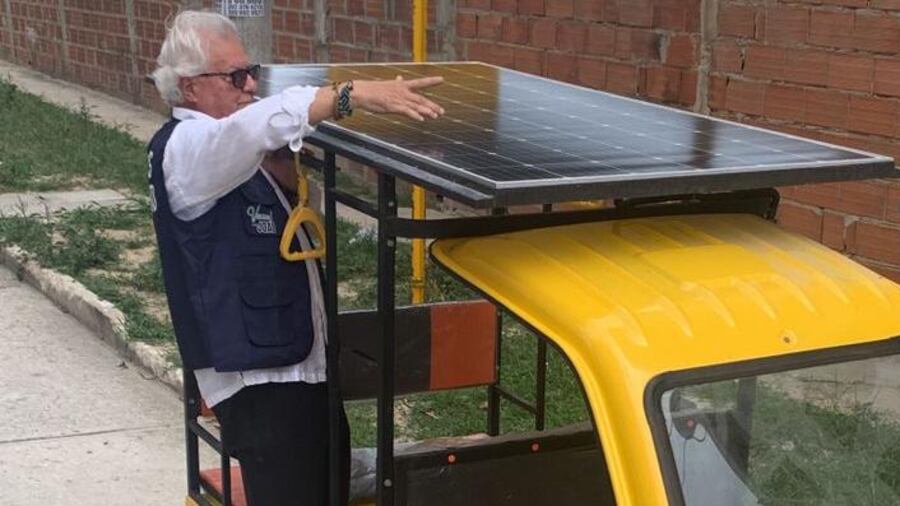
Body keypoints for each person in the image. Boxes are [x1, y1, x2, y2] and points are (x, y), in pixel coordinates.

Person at [147, 10, 444, 506]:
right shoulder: (189, 149)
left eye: (252, 72)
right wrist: (351, 95)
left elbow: (289, 203)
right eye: (235, 76)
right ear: (189, 87)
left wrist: (283, 164)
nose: (249, 86)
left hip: (299, 362)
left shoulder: (236, 152)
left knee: (328, 488)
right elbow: (256, 126)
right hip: (259, 382)